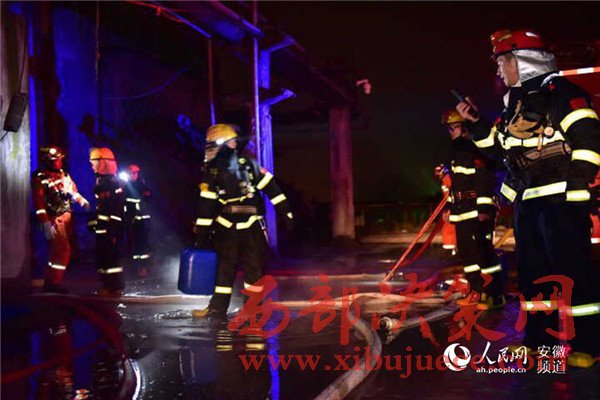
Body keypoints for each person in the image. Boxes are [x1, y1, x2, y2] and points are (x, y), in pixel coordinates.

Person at [456, 29, 600, 367]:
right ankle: (538, 342)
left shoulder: (563, 94)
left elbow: (589, 140)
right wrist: (475, 124)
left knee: (574, 272)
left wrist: (576, 192)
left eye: (502, 62)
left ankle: (588, 345)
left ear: (524, 61)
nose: (498, 70)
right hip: (529, 203)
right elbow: (499, 151)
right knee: (533, 275)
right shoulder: (515, 106)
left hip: (561, 201)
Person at [192, 124, 294, 321]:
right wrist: (202, 233)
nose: (210, 150)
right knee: (224, 270)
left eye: (213, 145)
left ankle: (253, 310)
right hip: (227, 227)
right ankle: (217, 309)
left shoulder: (249, 166)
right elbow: (206, 205)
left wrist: (285, 212)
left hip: (250, 227)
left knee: (253, 270)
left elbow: (273, 190)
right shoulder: (213, 172)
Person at [440, 110, 505, 309]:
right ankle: (476, 291)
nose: (450, 132)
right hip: (462, 212)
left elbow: (484, 179)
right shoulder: (457, 152)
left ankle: (494, 295)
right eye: (448, 129)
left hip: (477, 211)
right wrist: (450, 207)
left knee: (484, 254)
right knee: (468, 255)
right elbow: (456, 186)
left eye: (453, 127)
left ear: (464, 128)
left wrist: (484, 209)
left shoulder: (475, 149)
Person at [32, 146, 90, 293]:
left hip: (66, 217)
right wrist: (45, 222)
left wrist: (81, 200)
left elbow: (73, 191)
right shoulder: (41, 178)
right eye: (56, 160)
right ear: (48, 161)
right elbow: (39, 203)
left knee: (56, 252)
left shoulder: (64, 174)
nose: (59, 162)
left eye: (60, 159)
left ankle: (50, 282)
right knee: (63, 251)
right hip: (54, 219)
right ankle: (54, 283)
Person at [88, 147, 125, 296]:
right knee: (103, 257)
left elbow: (117, 207)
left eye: (94, 161)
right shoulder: (101, 180)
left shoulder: (113, 182)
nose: (91, 165)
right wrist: (93, 221)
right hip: (103, 227)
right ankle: (107, 284)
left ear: (103, 162)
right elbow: (101, 206)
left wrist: (113, 229)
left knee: (110, 258)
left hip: (109, 228)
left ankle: (114, 286)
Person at [123, 164, 152, 277]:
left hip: (142, 220)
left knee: (143, 244)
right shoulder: (126, 186)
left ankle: (144, 267)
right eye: (130, 173)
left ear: (138, 174)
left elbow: (146, 198)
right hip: (131, 220)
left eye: (134, 173)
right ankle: (136, 268)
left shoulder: (142, 185)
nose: (132, 175)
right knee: (133, 245)